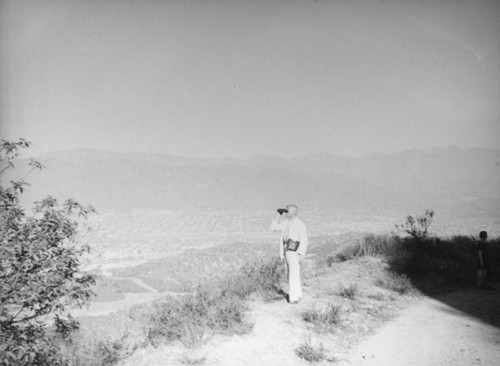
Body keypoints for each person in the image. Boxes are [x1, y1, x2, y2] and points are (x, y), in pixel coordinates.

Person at [279, 204, 308, 304]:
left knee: (293, 274)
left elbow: (304, 240)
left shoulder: (300, 224)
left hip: (295, 252)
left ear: (295, 212)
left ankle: (294, 297)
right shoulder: (286, 223)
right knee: (290, 274)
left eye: (288, 211)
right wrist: (279, 215)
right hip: (287, 251)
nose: (286, 213)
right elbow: (274, 227)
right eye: (286, 211)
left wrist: (301, 254)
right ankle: (297, 294)